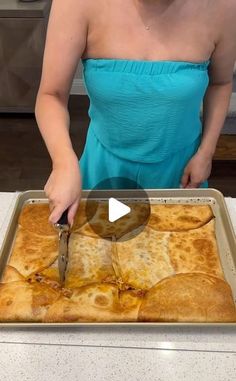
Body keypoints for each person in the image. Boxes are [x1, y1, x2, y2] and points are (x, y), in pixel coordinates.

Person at [35, 0, 236, 225]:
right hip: (105, 168)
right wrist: (63, 162)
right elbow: (52, 95)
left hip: (180, 172)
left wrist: (206, 153)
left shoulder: (222, 6)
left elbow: (220, 83)